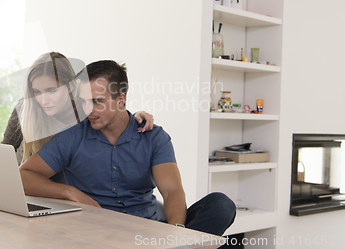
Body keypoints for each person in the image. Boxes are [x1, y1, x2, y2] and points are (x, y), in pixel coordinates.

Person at [19, 60, 236, 236]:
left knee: (221, 205)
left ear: (121, 100)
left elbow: (172, 191)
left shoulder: (154, 137)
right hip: (97, 233)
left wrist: (175, 233)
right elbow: (24, 175)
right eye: (84, 101)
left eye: (97, 101)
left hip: (149, 229)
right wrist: (68, 191)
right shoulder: (72, 137)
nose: (88, 110)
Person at [1, 52, 154, 163]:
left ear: (69, 86)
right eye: (36, 92)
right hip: (28, 190)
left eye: (51, 90)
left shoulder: (87, 109)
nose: (43, 100)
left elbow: (113, 116)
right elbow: (2, 154)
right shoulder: (26, 107)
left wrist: (136, 116)